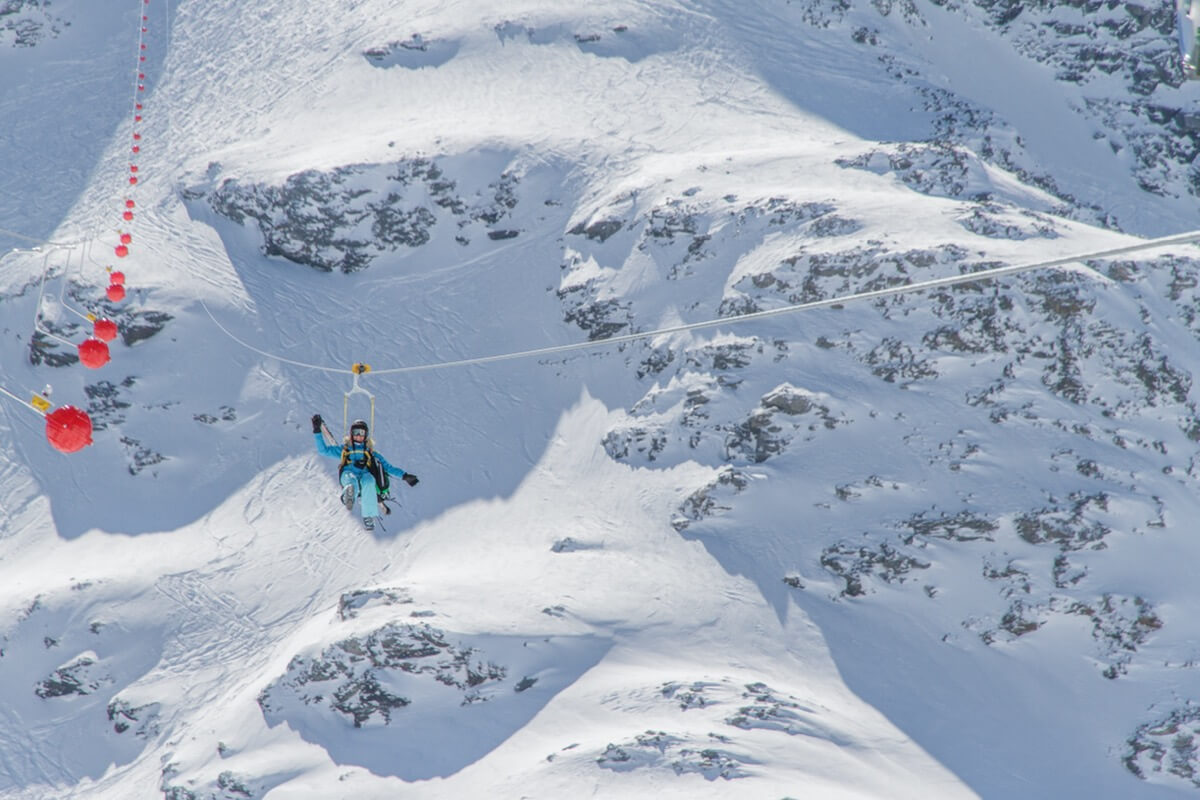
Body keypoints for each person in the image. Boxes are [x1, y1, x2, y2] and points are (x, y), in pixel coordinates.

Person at [312, 414, 418, 529]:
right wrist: (317, 431)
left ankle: (368, 516)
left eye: (361, 433)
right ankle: (348, 496)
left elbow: (388, 467)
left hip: (363, 477)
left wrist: (405, 476)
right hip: (347, 475)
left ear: (365, 435)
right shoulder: (345, 450)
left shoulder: (371, 453)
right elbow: (323, 451)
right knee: (351, 479)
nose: (358, 436)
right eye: (356, 432)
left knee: (369, 480)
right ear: (351, 434)